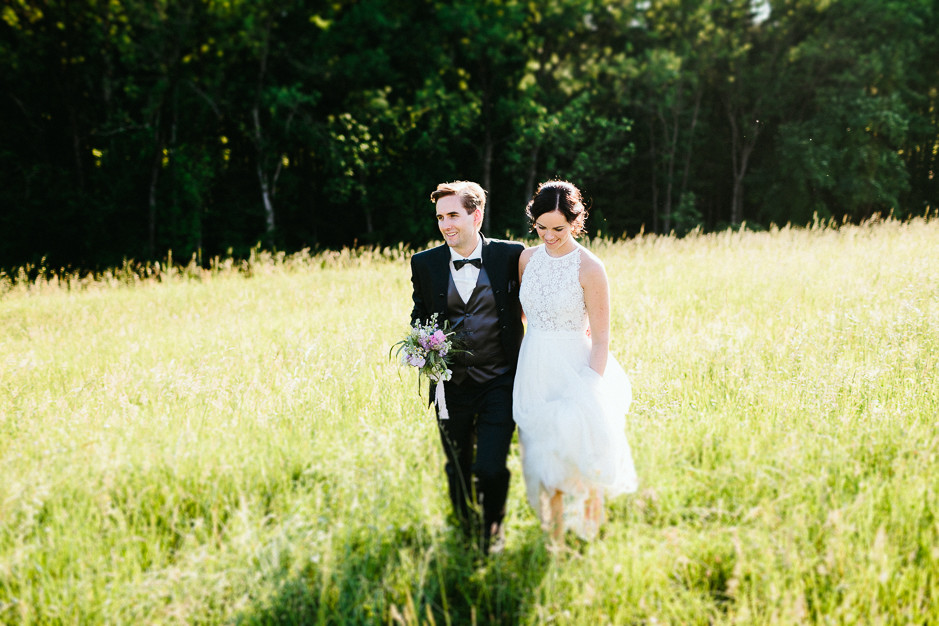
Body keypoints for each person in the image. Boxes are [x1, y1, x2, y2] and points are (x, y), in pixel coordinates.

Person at [512, 180, 638, 543]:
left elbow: (601, 338)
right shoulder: (527, 259)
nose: (549, 236)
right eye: (541, 227)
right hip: (534, 368)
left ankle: (588, 538)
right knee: (543, 457)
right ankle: (553, 541)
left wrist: (589, 389)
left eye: (559, 229)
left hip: (576, 370)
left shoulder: (590, 267)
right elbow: (525, 314)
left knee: (582, 459)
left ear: (576, 223)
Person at [409, 181, 525, 554]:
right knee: (457, 465)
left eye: (453, 215)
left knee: (490, 467)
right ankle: (465, 531)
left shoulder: (511, 255)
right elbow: (420, 314)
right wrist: (420, 342)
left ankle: (492, 533)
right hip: (450, 385)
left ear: (476, 215)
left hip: (499, 381)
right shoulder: (423, 263)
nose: (445, 224)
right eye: (440, 217)